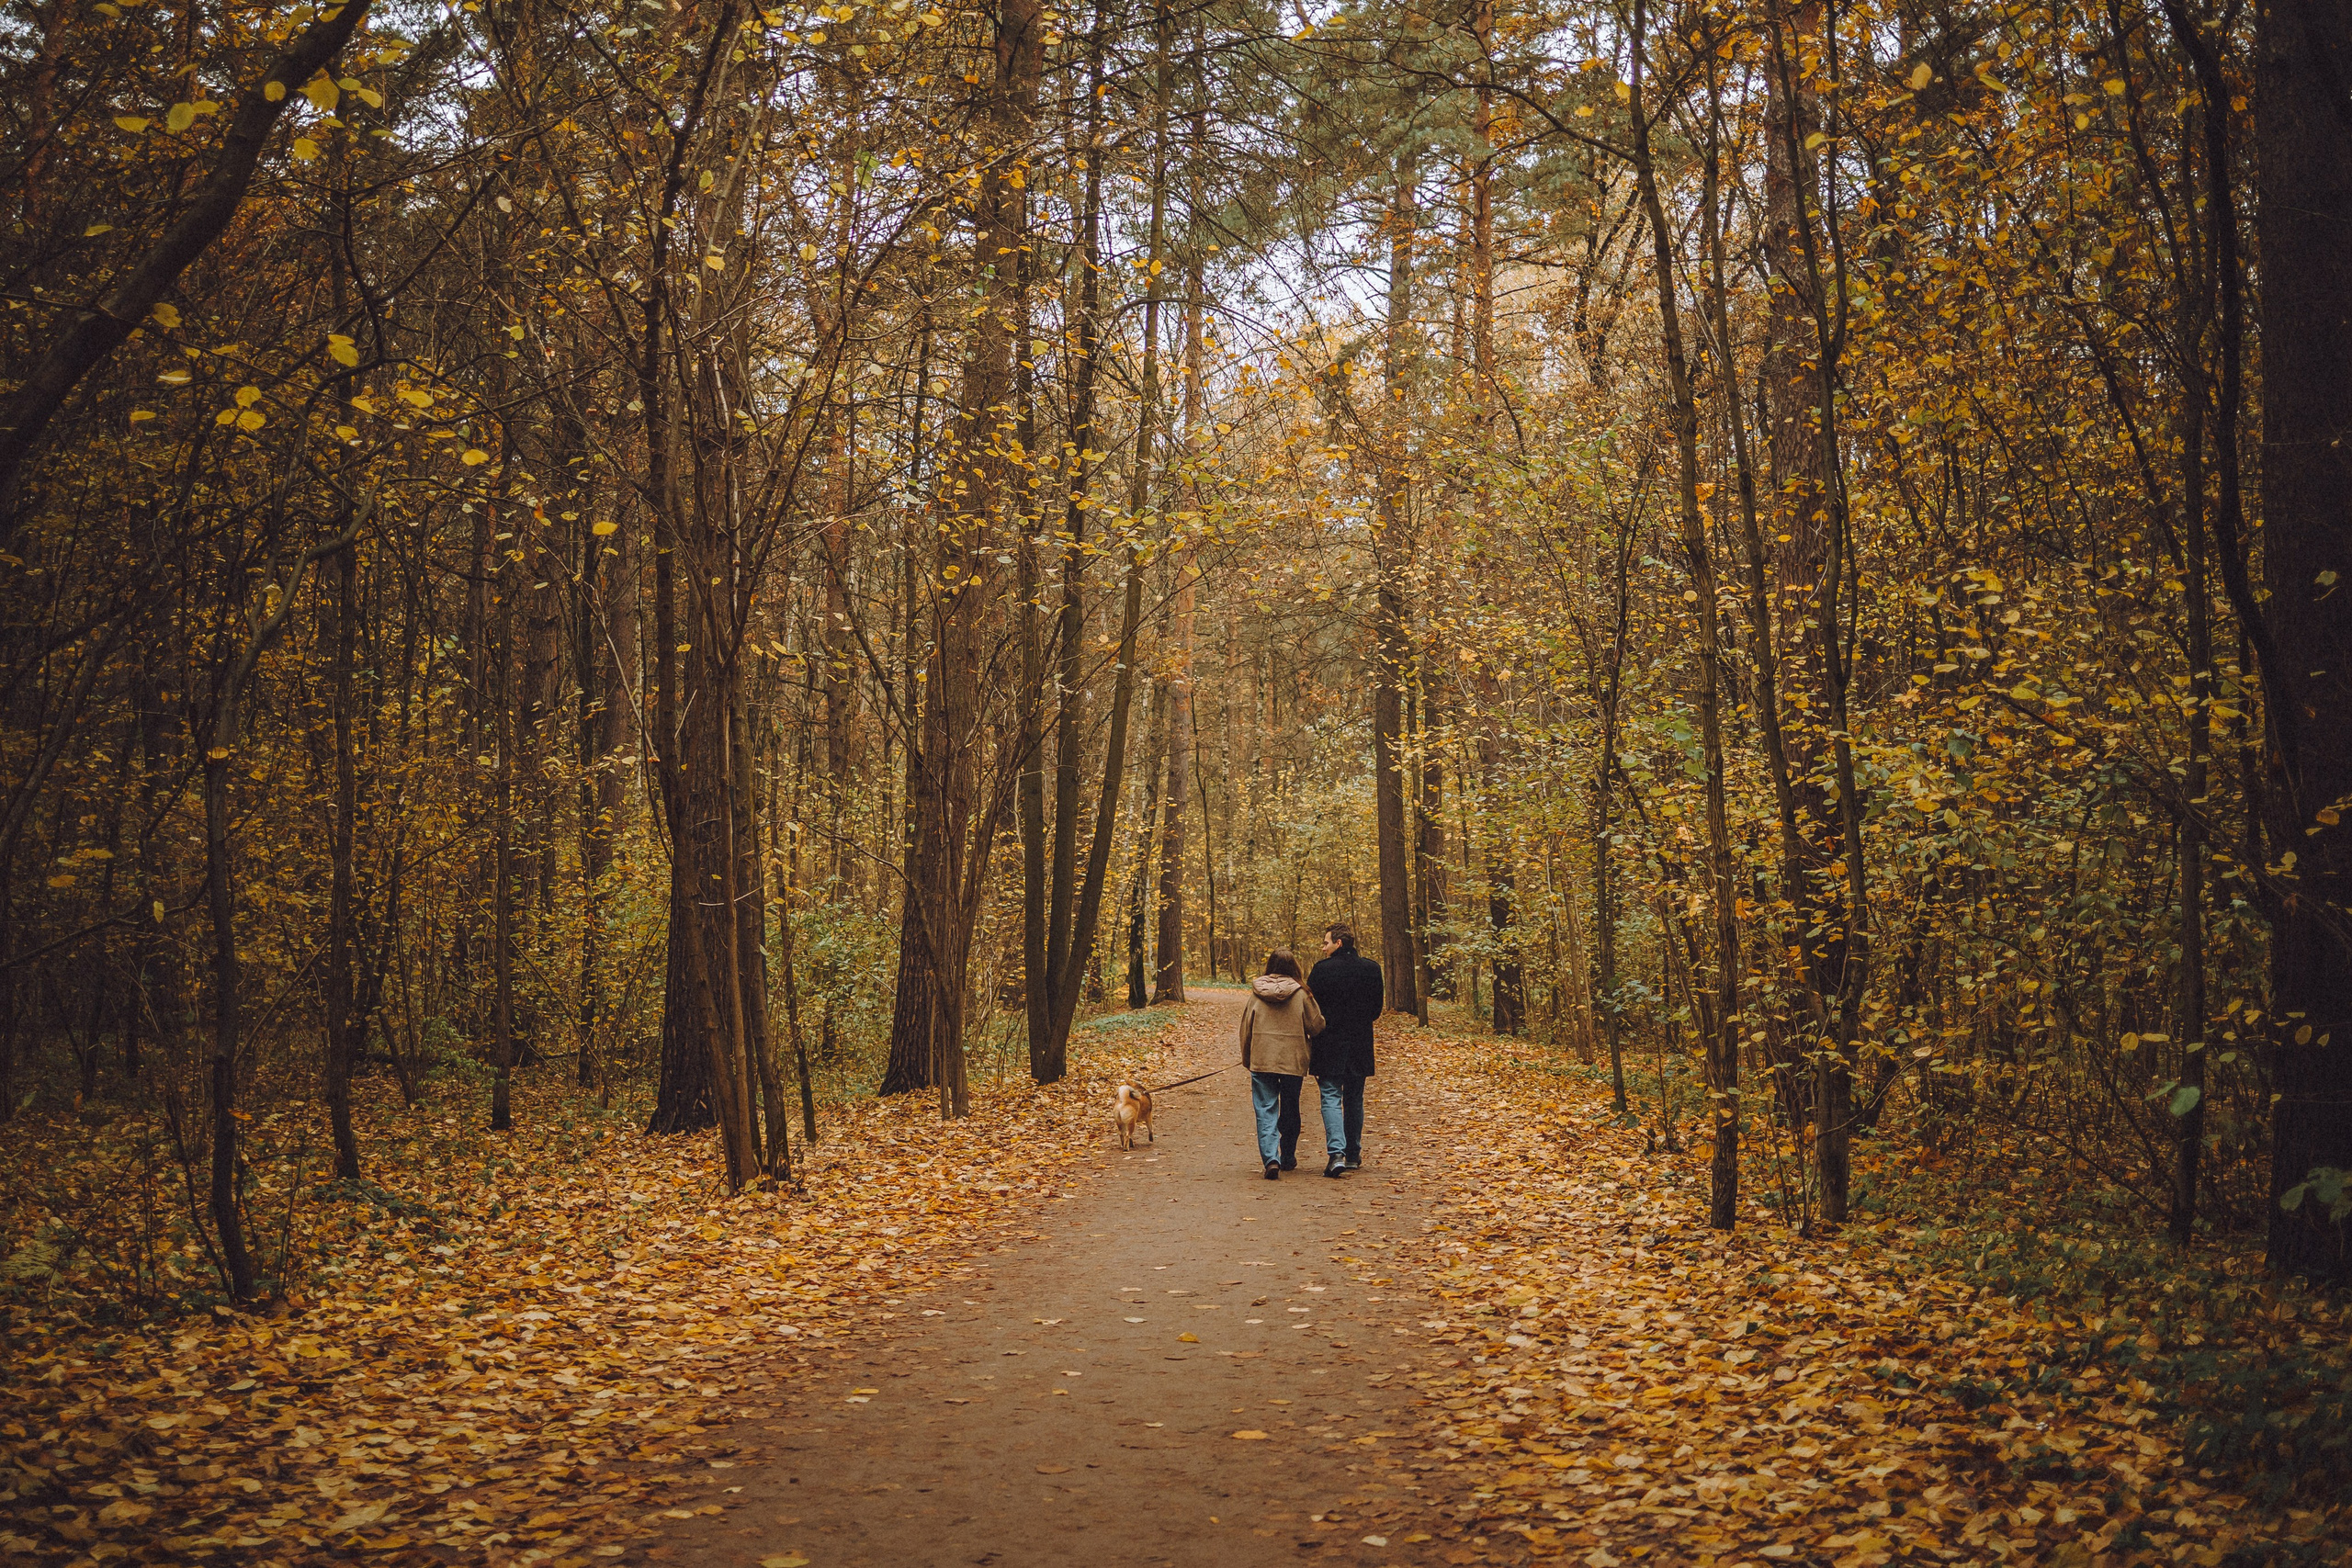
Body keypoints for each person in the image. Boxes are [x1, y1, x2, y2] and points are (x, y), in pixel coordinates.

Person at [1238, 949, 1324, 1179]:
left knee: (1265, 1109)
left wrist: (1248, 1058)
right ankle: (1287, 1156)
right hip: (1292, 1061)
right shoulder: (1303, 994)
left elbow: (1246, 1030)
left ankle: (1270, 1158)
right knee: (1290, 1107)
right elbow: (1316, 1026)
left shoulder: (1256, 995)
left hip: (1262, 1059)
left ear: (1270, 966)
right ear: (1294, 967)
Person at [1306, 921, 1382, 1178]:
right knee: (1354, 1098)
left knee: (1330, 1095)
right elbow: (1375, 1011)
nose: (1323, 947)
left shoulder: (1321, 970)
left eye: (1326, 942)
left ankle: (1336, 1154)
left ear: (1338, 943)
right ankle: (1353, 1154)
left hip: (1329, 1043)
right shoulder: (1372, 969)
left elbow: (1312, 1009)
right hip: (1359, 1043)